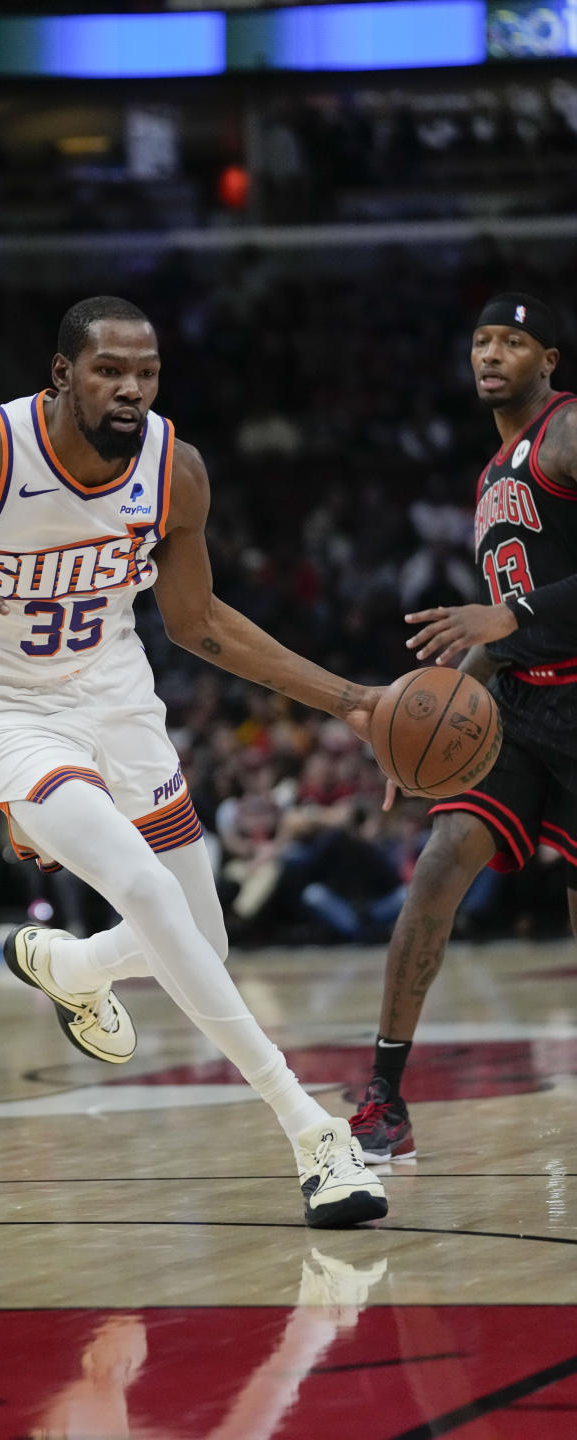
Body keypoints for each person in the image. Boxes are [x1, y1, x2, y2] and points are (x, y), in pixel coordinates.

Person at [0, 295, 388, 1229]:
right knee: (149, 892)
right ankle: (312, 1132)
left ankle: (79, 968)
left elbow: (199, 626)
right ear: (62, 376)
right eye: (108, 371)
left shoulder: (176, 470)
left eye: (146, 373)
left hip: (119, 703)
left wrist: (354, 701)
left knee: (200, 942)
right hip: (4, 712)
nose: (130, 389)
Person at [349, 291, 577, 1162]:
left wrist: (510, 615)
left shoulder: (566, 429)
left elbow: (506, 614)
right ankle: (385, 1097)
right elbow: (492, 633)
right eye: (482, 340)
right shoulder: (491, 477)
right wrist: (418, 733)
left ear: (547, 359)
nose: (491, 353)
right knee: (438, 870)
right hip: (519, 704)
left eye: (512, 340)